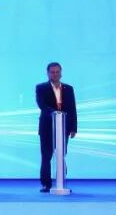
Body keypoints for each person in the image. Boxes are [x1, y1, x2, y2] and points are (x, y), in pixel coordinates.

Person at [35, 61, 77, 192]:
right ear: (48, 73)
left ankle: (61, 182)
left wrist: (73, 127)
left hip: (64, 127)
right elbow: (41, 105)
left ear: (61, 73)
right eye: (52, 72)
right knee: (46, 156)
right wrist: (55, 113)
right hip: (47, 127)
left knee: (61, 155)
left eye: (57, 72)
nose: (55, 74)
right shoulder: (41, 87)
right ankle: (46, 184)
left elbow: (72, 108)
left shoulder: (68, 88)